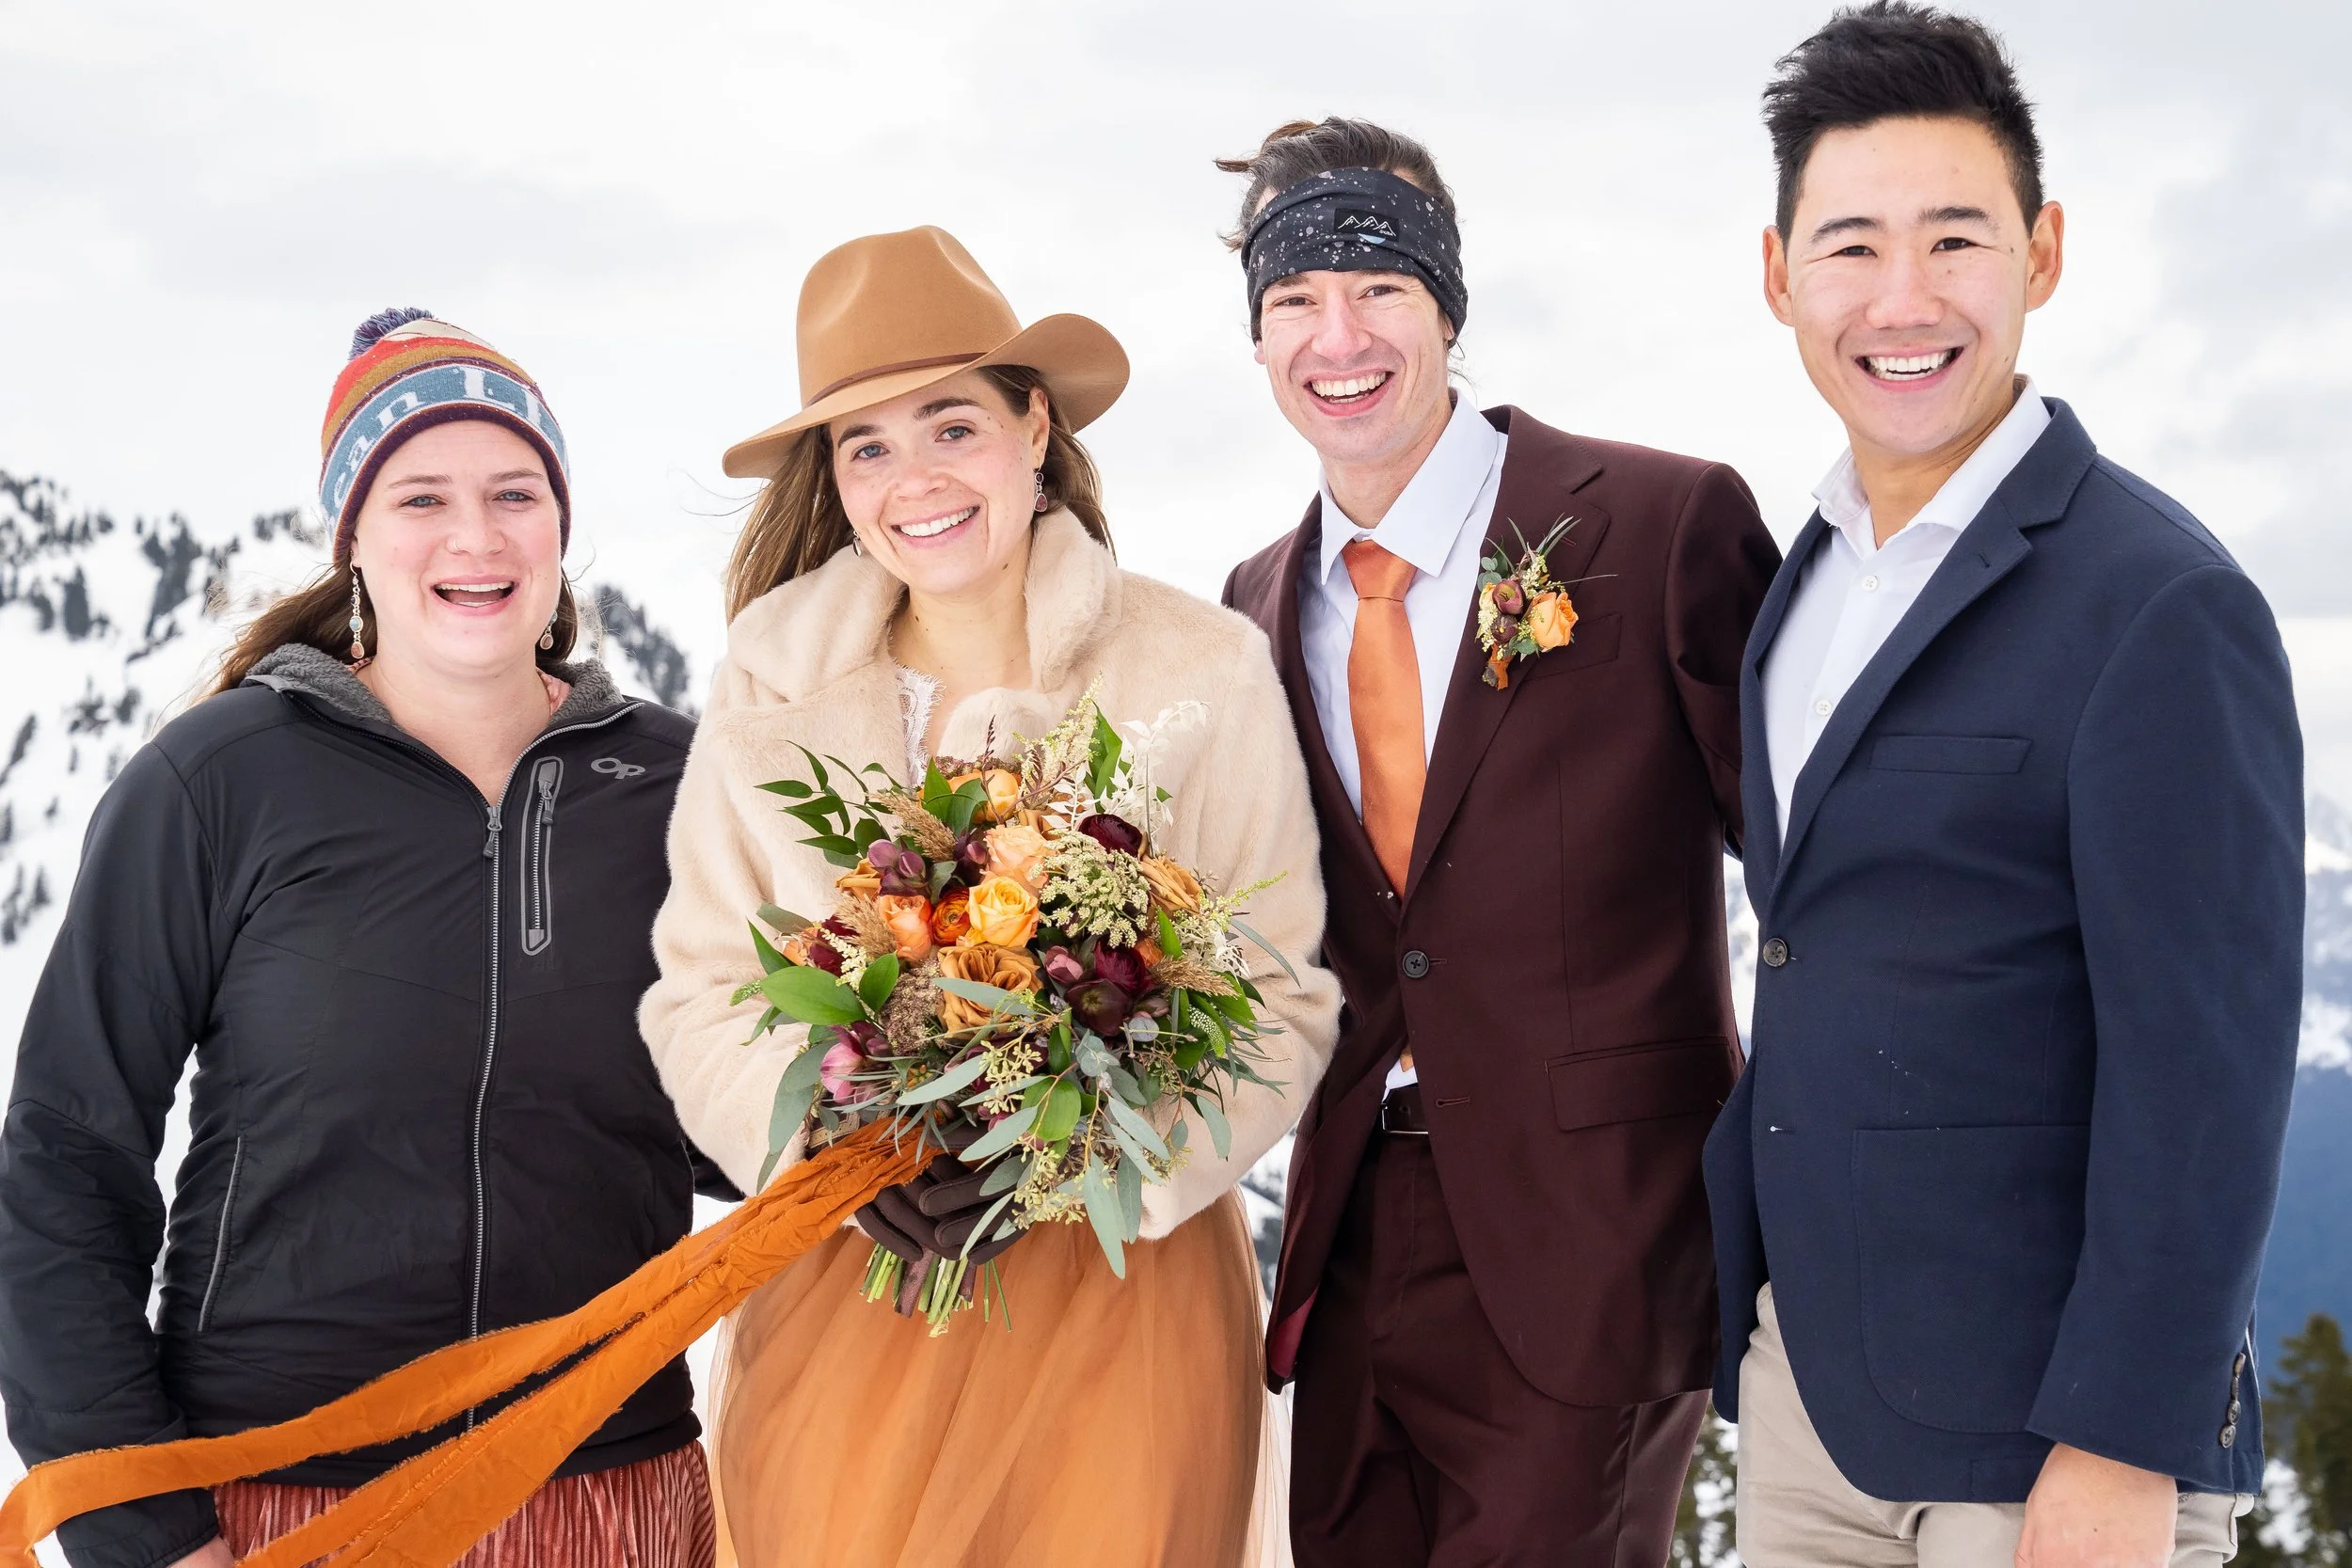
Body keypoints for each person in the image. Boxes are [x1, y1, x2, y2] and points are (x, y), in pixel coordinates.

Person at [638, 226, 1341, 1568]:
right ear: (836, 480)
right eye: (868, 446)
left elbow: (1285, 996)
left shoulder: (1200, 665)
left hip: (1121, 1304)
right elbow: (702, 998)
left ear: (1034, 427)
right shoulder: (767, 690)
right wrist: (826, 1172)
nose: (916, 479)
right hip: (857, 1296)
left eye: (950, 424)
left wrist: (1075, 1167)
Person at [1703, 7, 2302, 1566]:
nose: (1903, 300)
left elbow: (2211, 1072)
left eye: (1954, 238)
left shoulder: (2159, 600)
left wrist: (2123, 1448)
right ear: (1779, 277)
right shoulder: (1807, 574)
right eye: (1849, 247)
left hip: (2043, 1453)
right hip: (1811, 1407)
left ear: (2041, 252)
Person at [0, 312, 727, 1568]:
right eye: (420, 497)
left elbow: (738, 1114)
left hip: (613, 1495)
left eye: (515, 491)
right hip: (285, 1497)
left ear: (561, 524)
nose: (476, 536)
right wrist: (144, 1532)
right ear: (353, 539)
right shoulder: (218, 781)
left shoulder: (676, 784)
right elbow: (64, 1164)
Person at [1216, 119, 1782, 1565]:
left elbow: (1809, 876)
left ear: (1448, 304)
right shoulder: (1254, 602)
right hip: (1345, 1244)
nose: (1337, 336)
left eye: (1378, 287)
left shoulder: (1659, 524)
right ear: (1261, 339)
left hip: (1595, 1240)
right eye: (1293, 303)